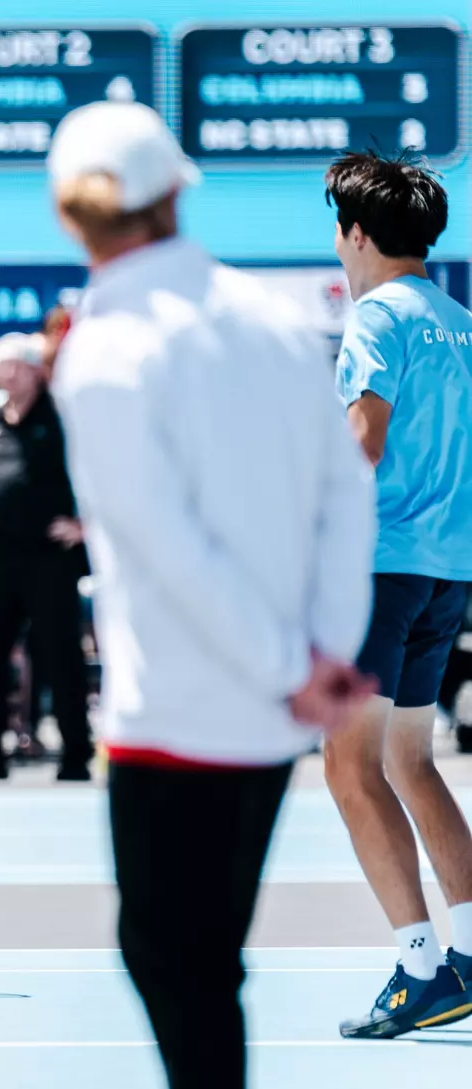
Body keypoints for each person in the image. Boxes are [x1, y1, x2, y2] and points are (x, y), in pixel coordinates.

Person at [46, 101, 377, 1089]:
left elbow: (167, 549)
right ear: (177, 190)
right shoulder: (277, 316)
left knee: (171, 960)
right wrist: (323, 657)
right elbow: (345, 497)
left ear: (73, 217)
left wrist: (292, 666)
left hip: (184, 708)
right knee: (204, 959)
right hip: (277, 710)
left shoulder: (103, 352)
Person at [323, 150, 472, 1038]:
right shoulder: (461, 322)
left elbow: (360, 446)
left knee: (347, 767)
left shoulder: (376, 317)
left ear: (356, 233)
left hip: (376, 570)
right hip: (445, 573)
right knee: (412, 765)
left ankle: (422, 967)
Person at [0, 331, 94, 781]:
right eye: (2, 365)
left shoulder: (64, 419)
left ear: (36, 369)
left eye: (18, 365)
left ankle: (76, 755)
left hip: (50, 557)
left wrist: (84, 524)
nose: (8, 373)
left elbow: (105, 473)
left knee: (62, 656)